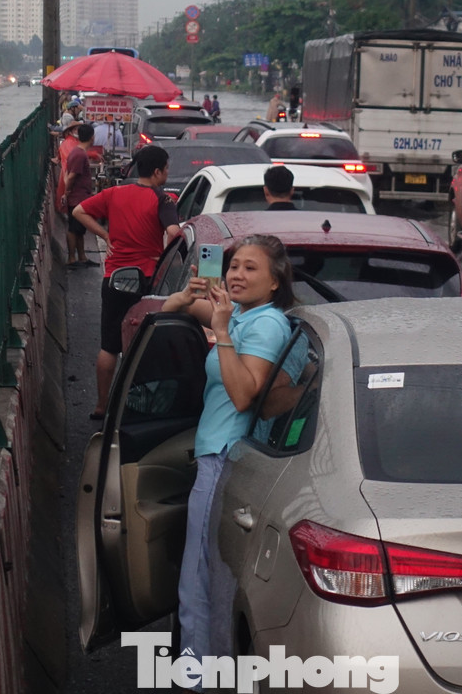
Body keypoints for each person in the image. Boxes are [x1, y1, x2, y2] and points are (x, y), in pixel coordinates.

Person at [159, 234, 296, 663]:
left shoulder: (265, 324)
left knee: (200, 574)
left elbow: (243, 395)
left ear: (275, 282)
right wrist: (186, 297)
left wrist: (220, 332)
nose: (237, 274)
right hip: (217, 454)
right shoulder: (241, 313)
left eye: (250, 268)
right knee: (202, 571)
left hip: (225, 459)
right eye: (233, 265)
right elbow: (172, 313)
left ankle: (197, 675)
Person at [71, 144, 181, 419]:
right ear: (157, 172)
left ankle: (101, 405)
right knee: (145, 344)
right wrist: (165, 257)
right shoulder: (164, 200)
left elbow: (78, 212)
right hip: (147, 280)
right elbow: (173, 231)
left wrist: (105, 235)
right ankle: (139, 406)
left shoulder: (114, 193)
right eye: (166, 169)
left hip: (115, 278)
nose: (167, 173)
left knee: (109, 345)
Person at [61, 123, 98, 268]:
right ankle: (72, 258)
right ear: (91, 137)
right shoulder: (79, 155)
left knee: (80, 229)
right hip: (77, 198)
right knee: (73, 228)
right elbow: (71, 176)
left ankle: (82, 257)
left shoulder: (79, 152)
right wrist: (66, 193)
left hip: (80, 197)